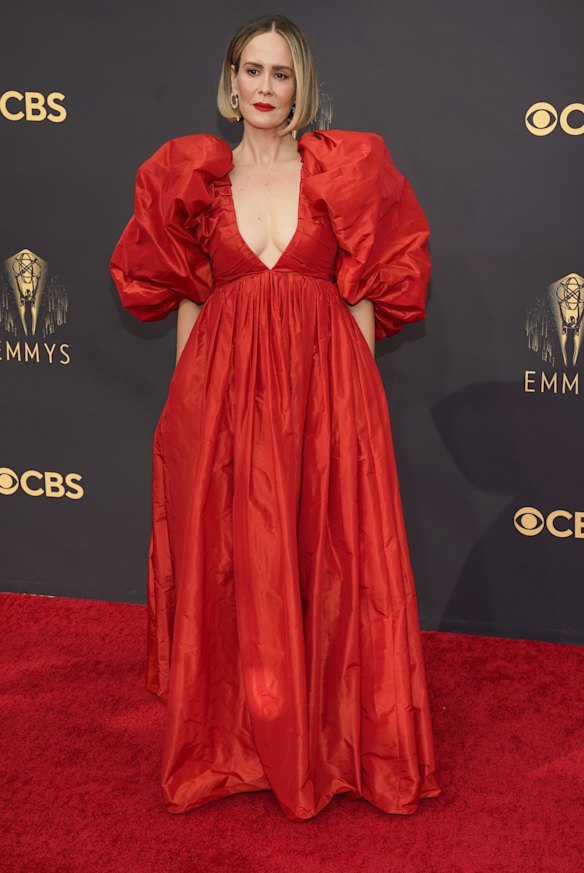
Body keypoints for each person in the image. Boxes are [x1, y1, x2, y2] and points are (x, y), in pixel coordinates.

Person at [110, 13, 442, 822]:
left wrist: (362, 412)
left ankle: (332, 742)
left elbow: (362, 291)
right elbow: (190, 301)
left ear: (302, 88)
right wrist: (184, 416)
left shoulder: (345, 170)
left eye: (281, 74)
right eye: (252, 71)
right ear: (230, 83)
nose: (265, 88)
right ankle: (239, 739)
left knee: (328, 563)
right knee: (235, 561)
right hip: (223, 401)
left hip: (325, 395)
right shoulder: (195, 178)